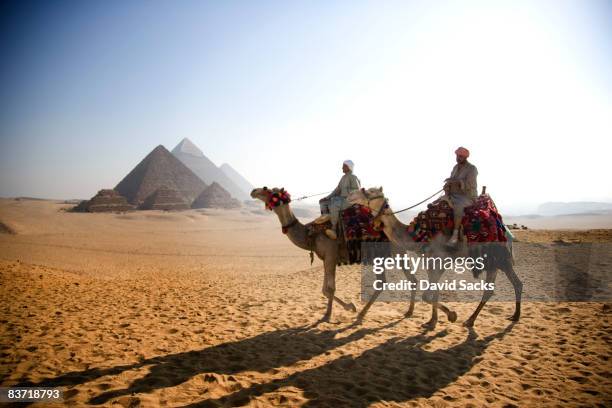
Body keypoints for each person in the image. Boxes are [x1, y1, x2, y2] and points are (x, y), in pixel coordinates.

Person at [443, 146, 478, 246]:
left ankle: (455, 235)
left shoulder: (472, 169)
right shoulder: (455, 167)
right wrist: (447, 185)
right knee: (436, 204)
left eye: (461, 156)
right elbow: (451, 179)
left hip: (467, 196)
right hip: (453, 195)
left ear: (466, 157)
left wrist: (456, 181)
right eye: (457, 156)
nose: (458, 158)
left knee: (457, 207)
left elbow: (470, 185)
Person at [319, 160, 361, 240]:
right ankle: (325, 220)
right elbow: (337, 190)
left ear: (349, 167)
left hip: (349, 200)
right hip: (341, 199)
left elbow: (357, 191)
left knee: (334, 205)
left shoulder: (353, 177)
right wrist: (327, 197)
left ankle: (333, 229)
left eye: (344, 166)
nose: (342, 168)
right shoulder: (343, 177)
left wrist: (346, 191)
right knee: (323, 203)